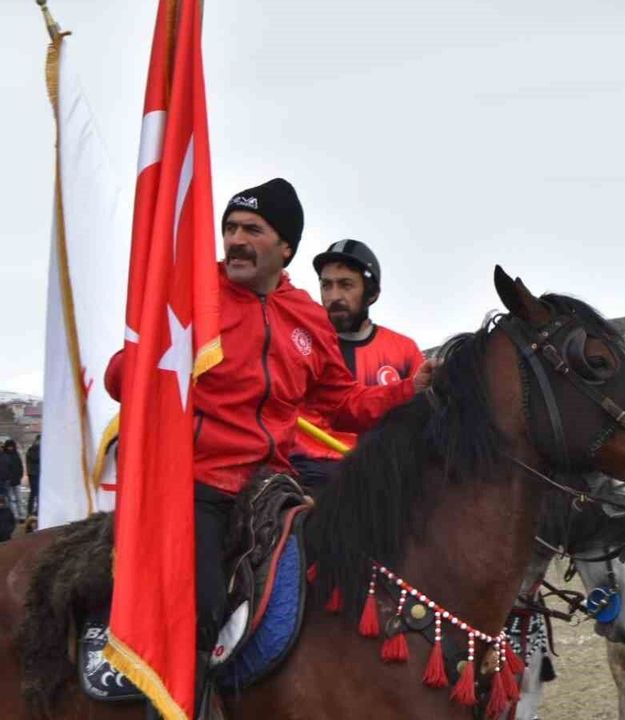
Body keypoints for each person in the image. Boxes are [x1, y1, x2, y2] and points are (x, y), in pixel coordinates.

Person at [105, 178, 431, 716]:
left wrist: (408, 391)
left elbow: (341, 403)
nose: (236, 239)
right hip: (196, 484)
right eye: (230, 228)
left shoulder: (307, 316)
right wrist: (149, 348)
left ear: (286, 248)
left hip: (272, 490)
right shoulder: (191, 297)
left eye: (252, 229)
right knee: (201, 610)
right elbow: (121, 379)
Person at [292, 239, 423, 492]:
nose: (334, 296)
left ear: (371, 293)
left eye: (346, 285)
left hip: (387, 479)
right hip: (312, 477)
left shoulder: (404, 350)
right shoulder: (303, 345)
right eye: (326, 285)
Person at [0, 440, 23, 516]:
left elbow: (20, 466)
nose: (10, 448)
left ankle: (20, 513)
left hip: (16, 480)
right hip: (8, 481)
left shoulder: (16, 455)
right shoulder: (4, 455)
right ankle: (14, 514)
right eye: (9, 446)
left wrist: (20, 475)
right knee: (10, 499)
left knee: (18, 498)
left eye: (11, 446)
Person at [25, 434, 40, 518]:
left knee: (37, 493)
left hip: (36, 473)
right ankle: (30, 511)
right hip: (34, 474)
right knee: (34, 493)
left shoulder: (35, 448)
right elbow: (35, 458)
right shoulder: (33, 449)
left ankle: (36, 510)